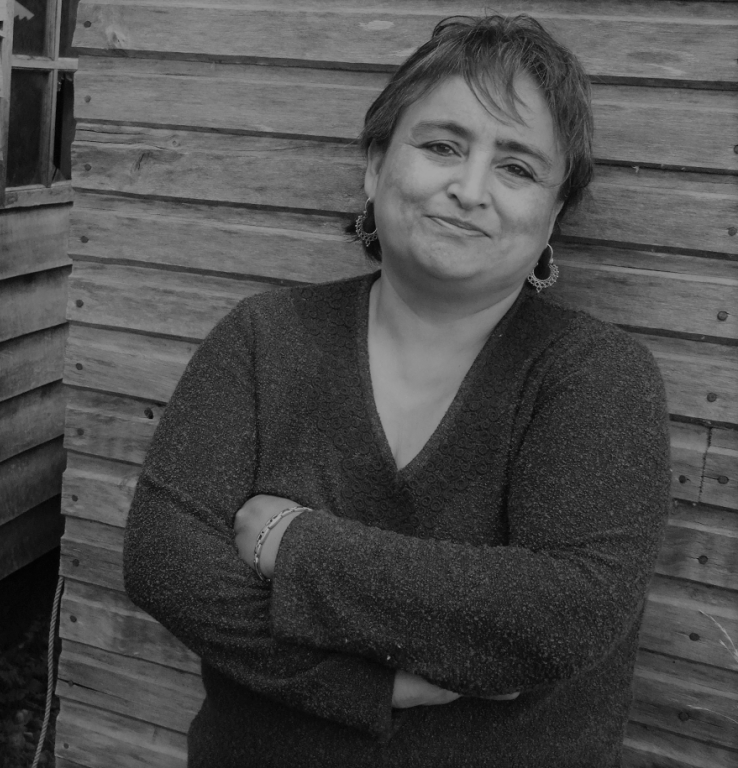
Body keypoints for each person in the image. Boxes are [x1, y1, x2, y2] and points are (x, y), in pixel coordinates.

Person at [122, 14, 671, 768]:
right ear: (375, 167)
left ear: (553, 217)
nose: (469, 190)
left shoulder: (596, 376)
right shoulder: (264, 337)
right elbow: (164, 559)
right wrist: (368, 685)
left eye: (517, 168)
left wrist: (290, 541)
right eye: (442, 146)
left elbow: (564, 614)